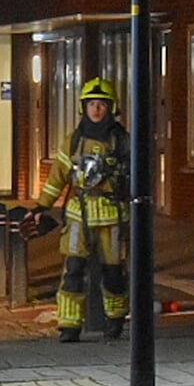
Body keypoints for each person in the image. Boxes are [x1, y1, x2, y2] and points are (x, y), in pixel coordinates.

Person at [32, 77, 131, 343]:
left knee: (113, 272)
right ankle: (69, 325)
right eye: (92, 104)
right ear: (83, 107)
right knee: (73, 269)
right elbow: (57, 179)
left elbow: (136, 179)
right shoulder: (73, 142)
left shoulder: (122, 142)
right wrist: (41, 207)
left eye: (101, 104)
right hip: (79, 213)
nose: (96, 109)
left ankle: (115, 320)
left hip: (112, 214)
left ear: (111, 108)